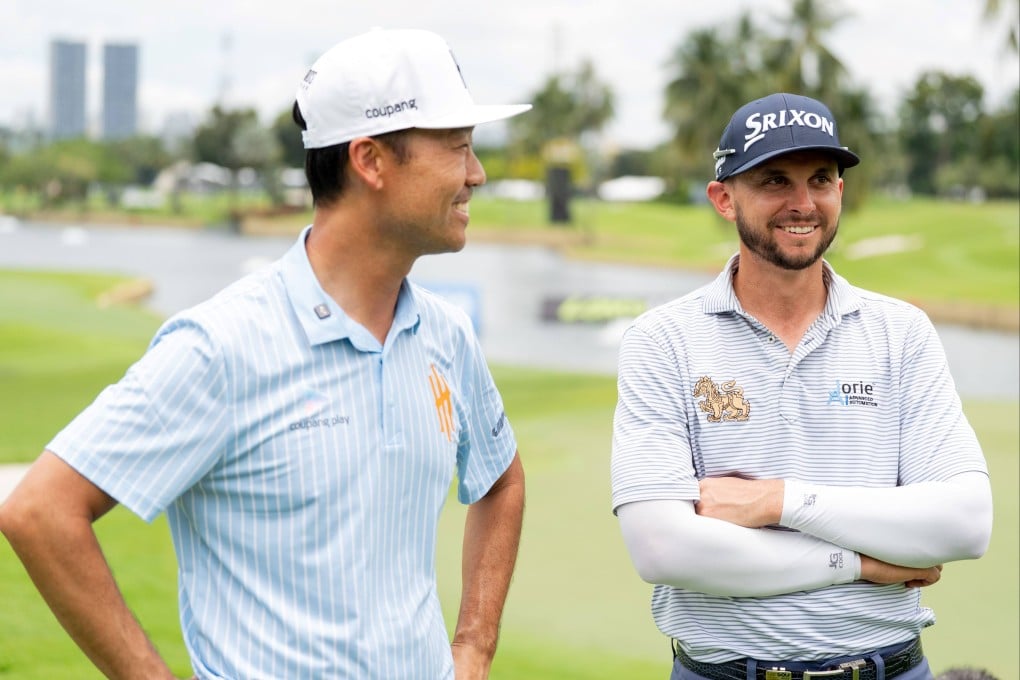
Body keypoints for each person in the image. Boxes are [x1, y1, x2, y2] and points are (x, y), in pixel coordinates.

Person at [0, 28, 530, 680]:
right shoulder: (220, 348)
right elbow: (40, 512)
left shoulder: (445, 335)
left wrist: (473, 646)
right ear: (371, 161)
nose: (475, 174)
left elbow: (501, 479)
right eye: (457, 148)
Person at [610, 92, 993, 679]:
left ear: (840, 191)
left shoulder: (901, 333)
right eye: (773, 181)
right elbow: (663, 548)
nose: (802, 203)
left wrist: (778, 500)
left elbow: (964, 523)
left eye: (820, 178)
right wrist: (858, 563)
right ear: (723, 197)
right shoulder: (662, 339)